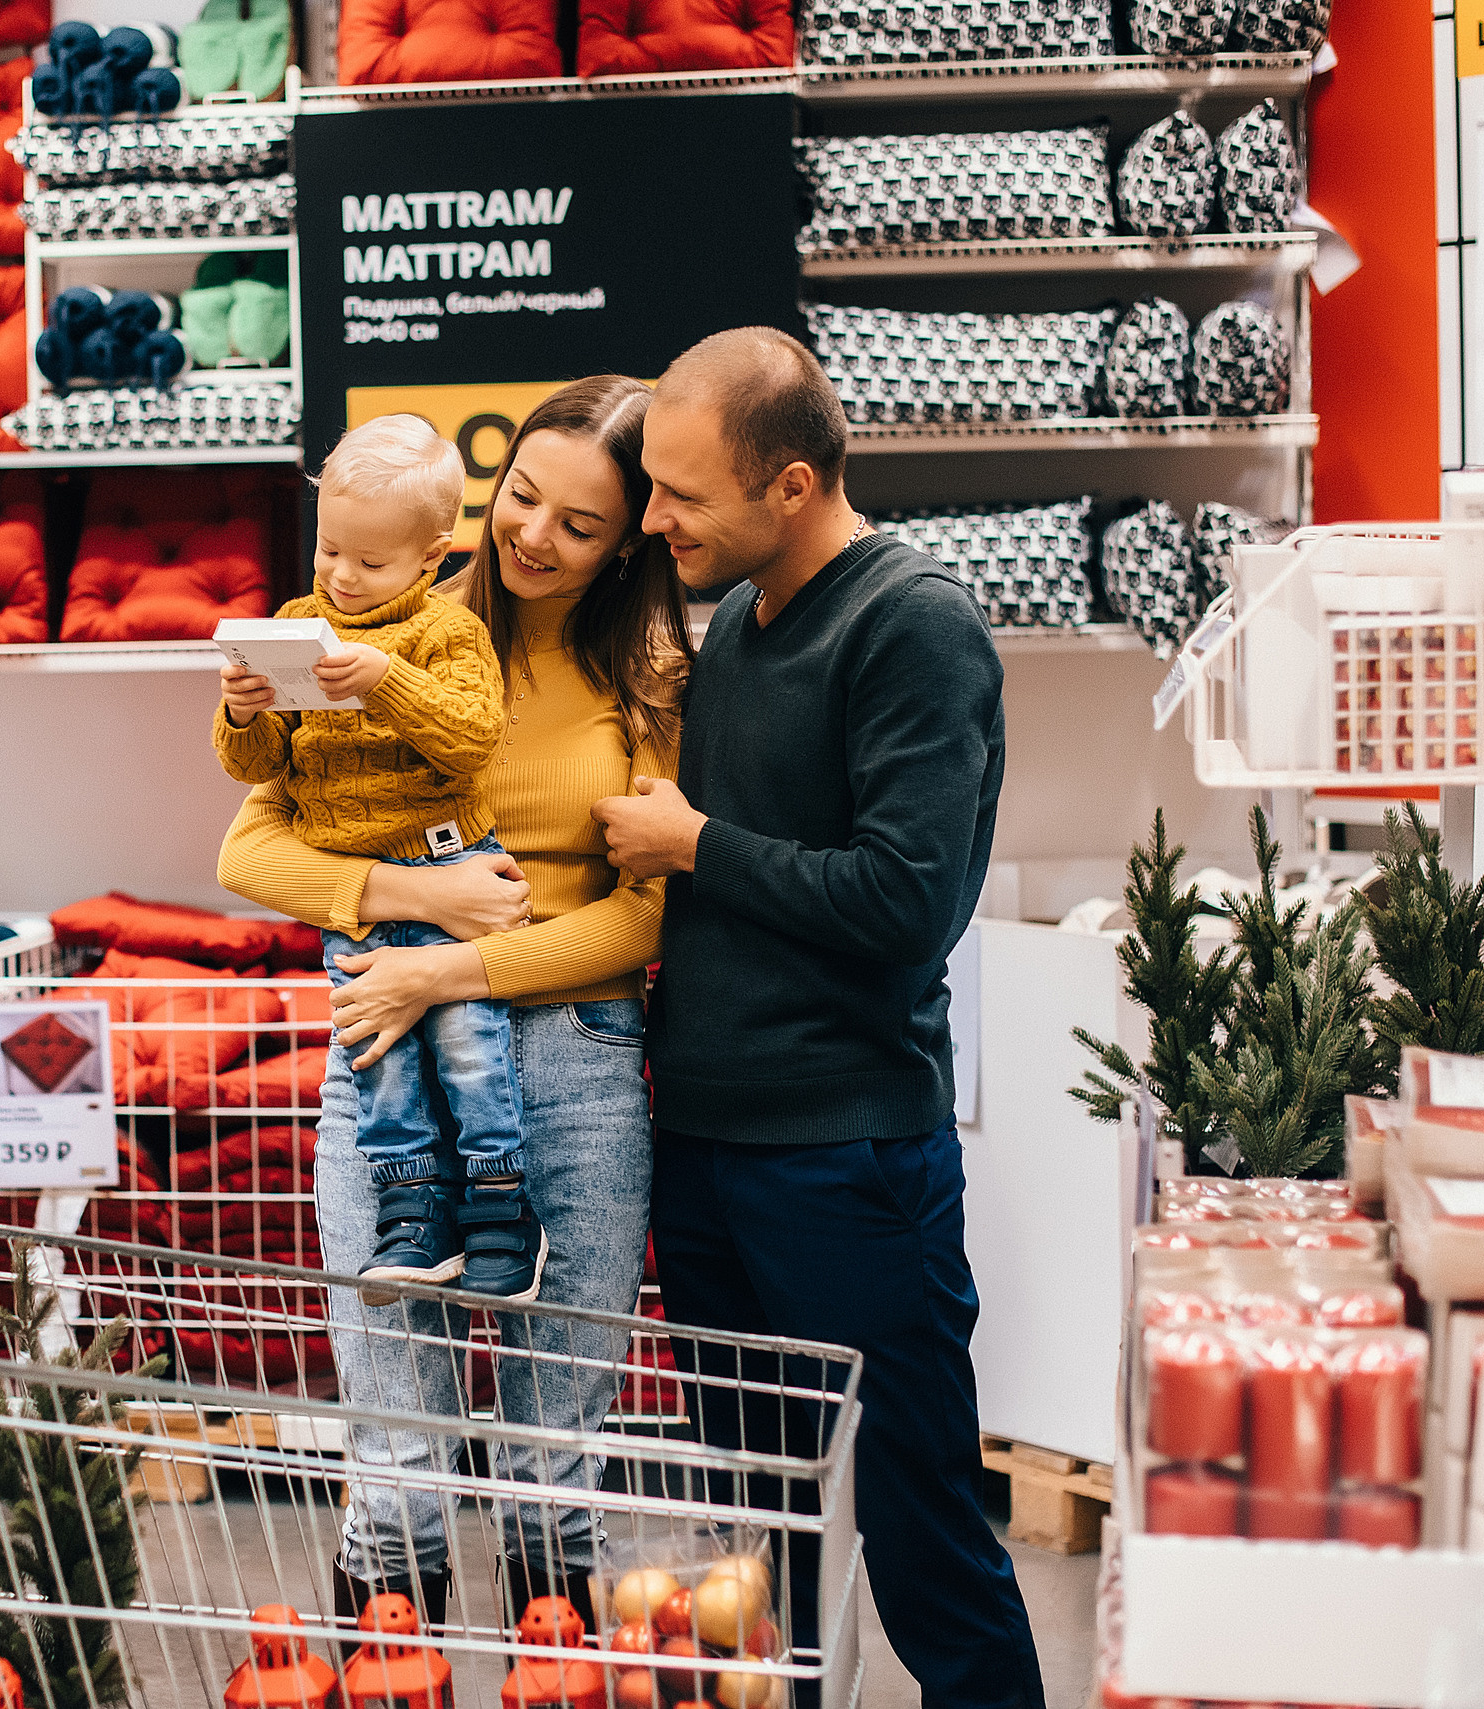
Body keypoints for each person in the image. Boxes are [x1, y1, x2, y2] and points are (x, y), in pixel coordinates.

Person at [593, 326, 1045, 1709]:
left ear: (790, 485)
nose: (651, 517)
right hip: (717, 1151)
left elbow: (910, 902)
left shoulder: (913, 622)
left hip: (848, 1159)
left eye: (682, 493)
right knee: (764, 1533)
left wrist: (694, 846)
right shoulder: (736, 619)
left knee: (920, 1526)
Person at [216, 375, 691, 1628]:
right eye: (522, 498)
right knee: (395, 1451)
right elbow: (249, 854)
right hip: (390, 1044)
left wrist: (449, 962)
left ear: (633, 532)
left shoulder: (649, 674)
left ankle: (550, 1655)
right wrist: (405, 899)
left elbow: (642, 917)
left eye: (579, 523)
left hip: (581, 1058)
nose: (535, 535)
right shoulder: (383, 636)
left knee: (552, 1463)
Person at [213, 413, 542, 1304]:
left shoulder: (447, 634)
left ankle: (503, 1209)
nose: (341, 579)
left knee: (470, 1049)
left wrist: (384, 680)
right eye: (329, 553)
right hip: (358, 901)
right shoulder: (294, 624)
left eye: (370, 562)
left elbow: (472, 741)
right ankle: (410, 1216)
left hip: (450, 863)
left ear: (433, 557)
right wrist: (244, 712)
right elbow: (258, 771)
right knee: (379, 1062)